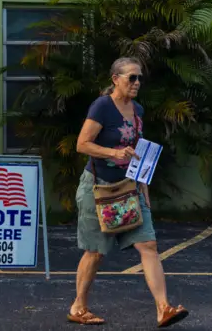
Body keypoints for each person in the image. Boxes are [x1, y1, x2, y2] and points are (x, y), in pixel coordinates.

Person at [67, 57, 189, 328]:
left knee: (148, 244)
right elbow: (82, 144)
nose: (136, 83)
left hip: (129, 187)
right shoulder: (102, 107)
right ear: (115, 79)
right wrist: (113, 152)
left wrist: (143, 188)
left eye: (139, 78)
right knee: (95, 252)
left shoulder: (137, 110)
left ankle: (163, 308)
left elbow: (138, 152)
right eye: (131, 77)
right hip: (98, 190)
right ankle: (79, 306)